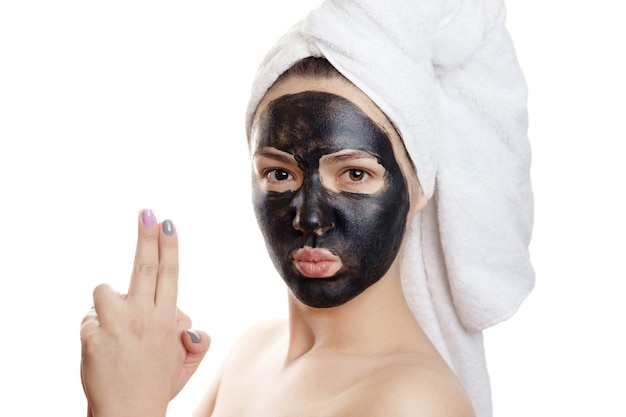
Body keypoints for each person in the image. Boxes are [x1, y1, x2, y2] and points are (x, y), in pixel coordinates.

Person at [80, 1, 534, 416]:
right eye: (280, 175)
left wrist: (129, 404)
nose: (310, 218)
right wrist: (130, 383)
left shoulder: (414, 402)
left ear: (416, 188)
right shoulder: (251, 352)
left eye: (355, 175)